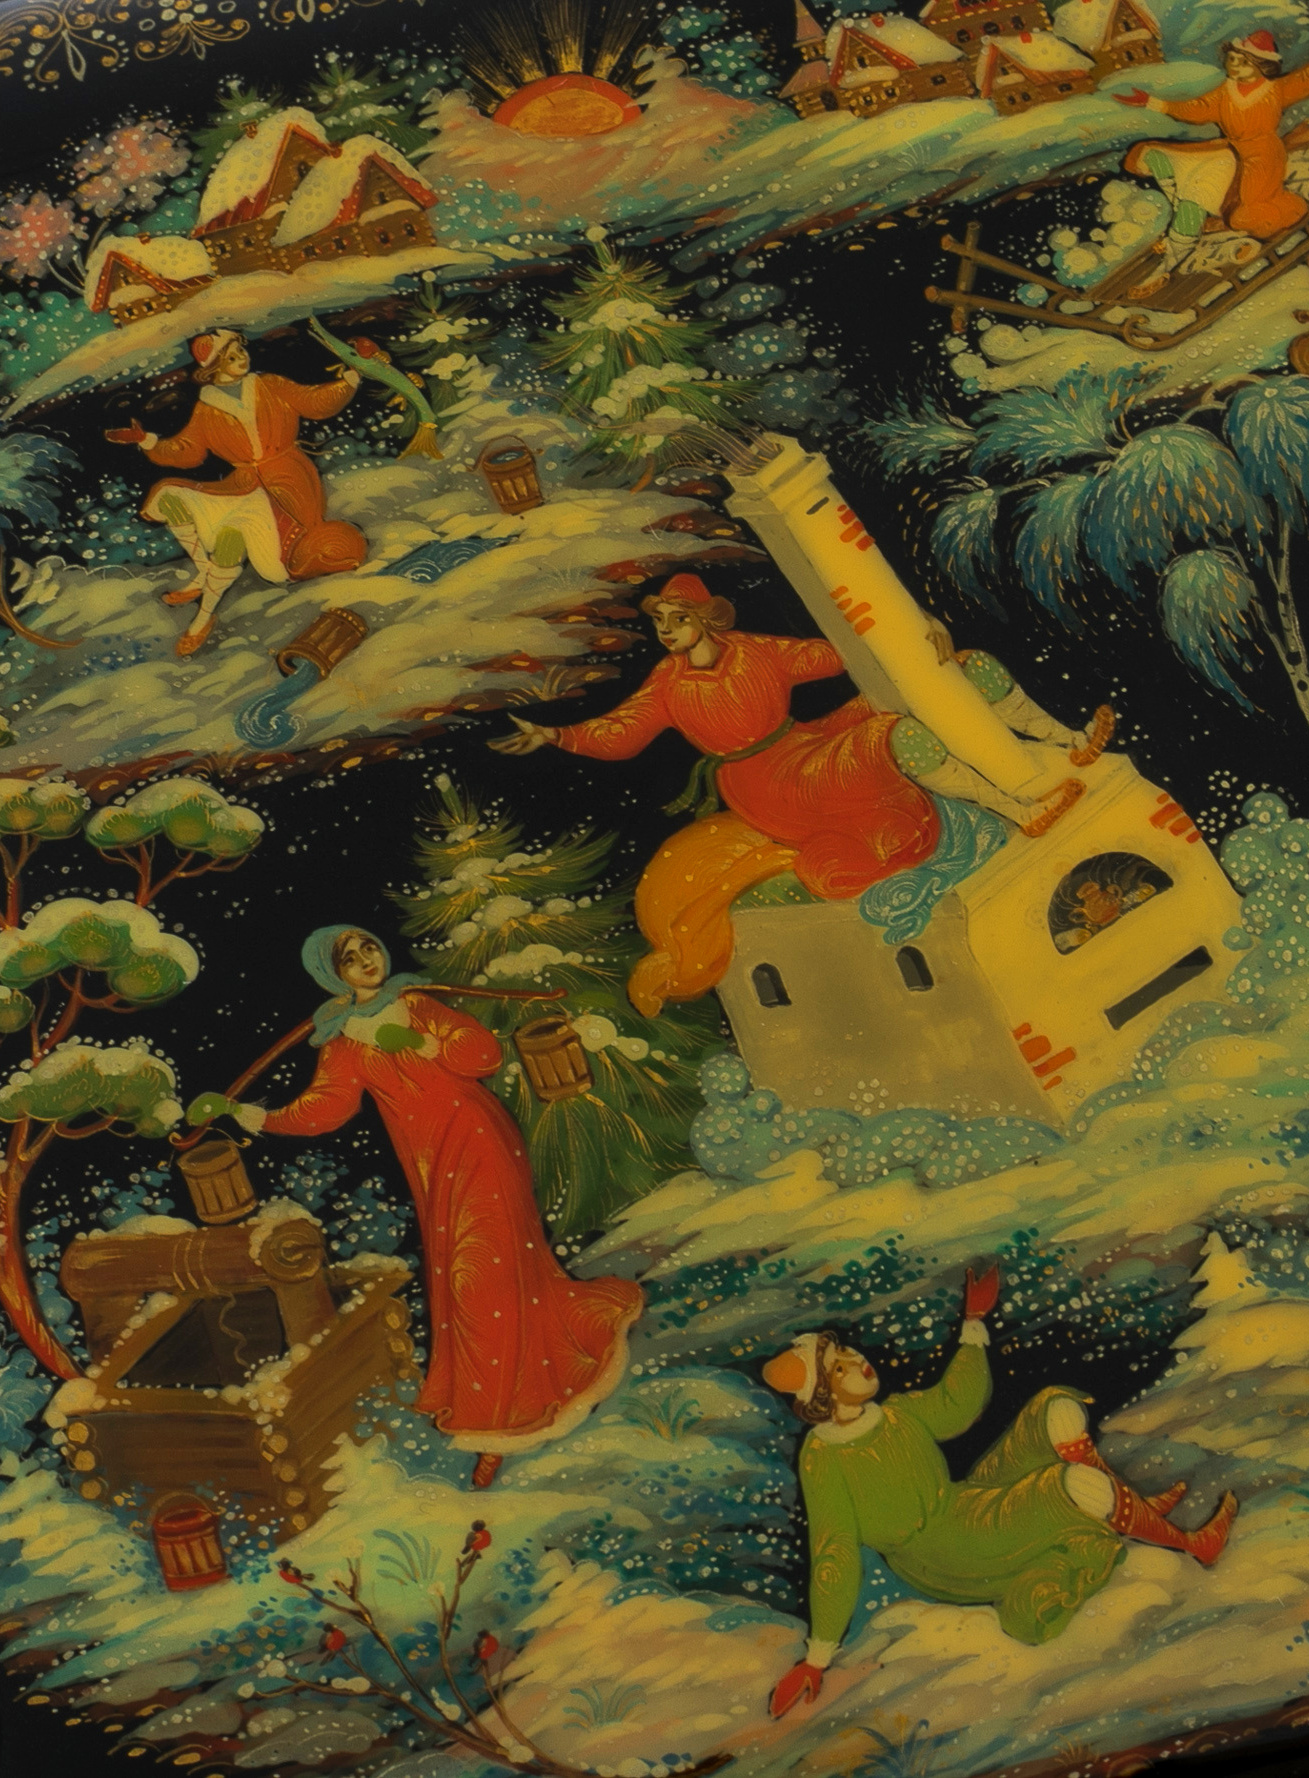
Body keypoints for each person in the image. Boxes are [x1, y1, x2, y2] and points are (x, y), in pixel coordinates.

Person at [490, 574, 1110, 1012]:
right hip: (772, 784)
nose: (667, 632)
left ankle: (1070, 739)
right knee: (895, 736)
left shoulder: (754, 650)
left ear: (705, 618)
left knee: (951, 670)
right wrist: (554, 735)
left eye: (677, 619)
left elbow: (837, 654)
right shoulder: (668, 684)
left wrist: (916, 626)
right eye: (659, 623)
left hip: (804, 743)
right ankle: (1020, 810)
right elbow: (620, 732)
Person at [186, 926, 643, 1490]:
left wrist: (424, 1043)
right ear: (334, 975)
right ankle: (514, 1395)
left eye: (368, 949)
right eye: (349, 959)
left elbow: (483, 1054)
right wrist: (243, 1113)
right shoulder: (343, 1039)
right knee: (468, 1278)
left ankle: (501, 1420)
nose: (366, 962)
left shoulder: (418, 1005)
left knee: (481, 1275)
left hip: (478, 1141)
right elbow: (324, 1109)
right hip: (430, 1164)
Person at [760, 1264, 1236, 1719]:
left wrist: (973, 1322)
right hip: (947, 1555)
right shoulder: (825, 1458)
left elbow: (957, 1404)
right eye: (838, 1368)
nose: (856, 1361)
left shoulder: (896, 1413)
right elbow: (834, 1550)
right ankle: (1192, 1544)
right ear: (822, 1395)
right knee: (1069, 1485)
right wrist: (817, 1658)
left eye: (847, 1352)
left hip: (968, 1508)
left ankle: (1133, 1512)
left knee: (1055, 1410)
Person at [103, 329, 368, 658]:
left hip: (287, 483)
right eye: (231, 357)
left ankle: (203, 615)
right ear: (214, 368)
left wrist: (349, 380)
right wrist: (146, 440)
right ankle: (203, 577)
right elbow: (187, 450)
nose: (242, 359)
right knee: (169, 496)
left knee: (237, 535)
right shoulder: (207, 408)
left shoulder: (269, 384)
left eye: (240, 351)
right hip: (242, 484)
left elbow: (313, 401)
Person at [1113, 27, 1309, 250]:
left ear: (1261, 65)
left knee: (1247, 210)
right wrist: (1152, 102)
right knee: (1200, 171)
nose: (1234, 65)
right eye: (1232, 59)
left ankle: (1277, 215)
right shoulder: (1225, 92)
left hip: (1263, 154)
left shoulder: (1274, 90)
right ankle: (1220, 220)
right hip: (1233, 149)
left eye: (1242, 62)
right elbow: (1197, 108)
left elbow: (1306, 80)